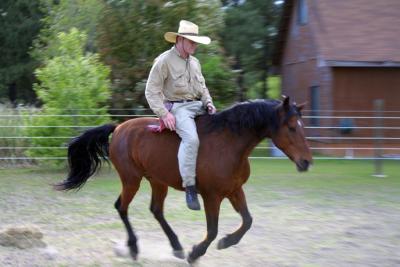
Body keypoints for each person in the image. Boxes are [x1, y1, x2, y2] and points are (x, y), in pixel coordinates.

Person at [145, 20, 216, 211]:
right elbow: (151, 92)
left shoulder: (195, 63)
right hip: (179, 108)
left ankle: (213, 176)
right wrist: (164, 113)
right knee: (191, 140)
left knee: (221, 130)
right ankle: (190, 187)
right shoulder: (164, 61)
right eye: (191, 41)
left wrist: (208, 102)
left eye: (196, 42)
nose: (195, 45)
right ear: (179, 39)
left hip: (198, 105)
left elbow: (202, 88)